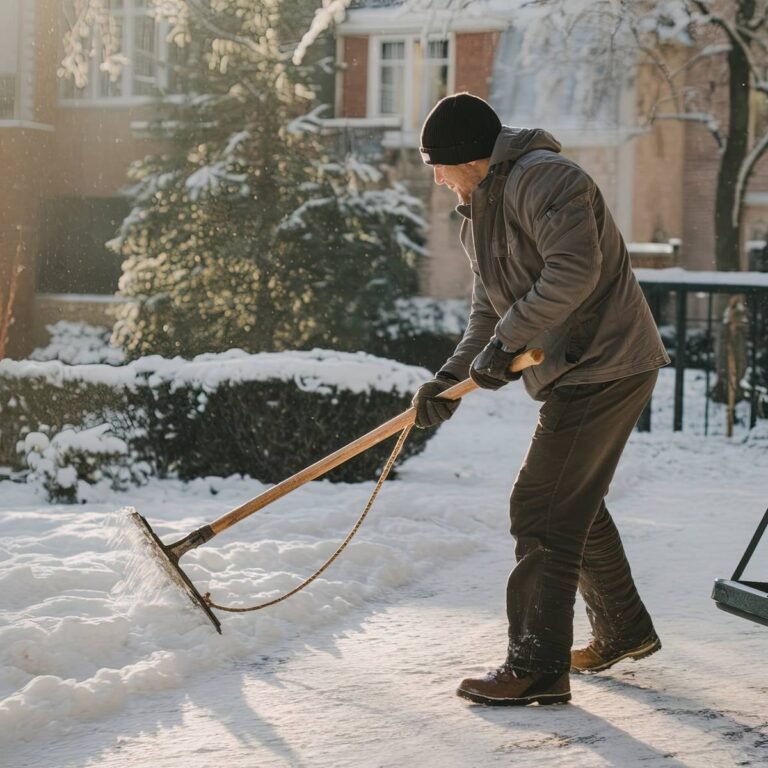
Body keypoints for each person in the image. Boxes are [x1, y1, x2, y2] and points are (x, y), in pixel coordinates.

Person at [411, 93, 670, 707]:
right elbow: (488, 309)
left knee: (542, 505)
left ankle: (536, 666)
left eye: (438, 166)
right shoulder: (479, 209)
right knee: (571, 501)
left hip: (605, 362)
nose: (437, 178)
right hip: (576, 369)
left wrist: (507, 343)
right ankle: (624, 629)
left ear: (467, 156)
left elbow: (573, 271)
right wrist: (449, 382)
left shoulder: (546, 178)